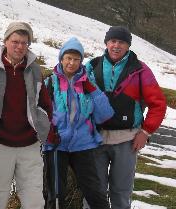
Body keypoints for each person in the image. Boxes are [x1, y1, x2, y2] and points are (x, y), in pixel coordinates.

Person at [85, 26, 167, 209]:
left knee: (121, 193)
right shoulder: (92, 66)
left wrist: (145, 131)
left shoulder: (140, 70)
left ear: (128, 46)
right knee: (93, 193)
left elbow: (158, 104)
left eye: (121, 42)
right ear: (106, 43)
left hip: (127, 141)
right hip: (95, 139)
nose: (116, 46)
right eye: (113, 41)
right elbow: (77, 95)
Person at [0, 22, 52, 209]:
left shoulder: (34, 70)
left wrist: (41, 129)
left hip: (29, 145)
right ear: (5, 41)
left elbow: (45, 104)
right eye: (15, 41)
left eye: (24, 43)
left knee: (34, 201)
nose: (19, 46)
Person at [42, 37, 113, 209]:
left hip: (83, 144)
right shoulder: (50, 83)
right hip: (56, 144)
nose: (72, 63)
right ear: (61, 59)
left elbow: (105, 115)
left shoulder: (88, 83)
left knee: (95, 193)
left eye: (76, 59)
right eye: (68, 58)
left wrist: (93, 90)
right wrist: (48, 133)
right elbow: (40, 114)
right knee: (55, 196)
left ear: (81, 61)